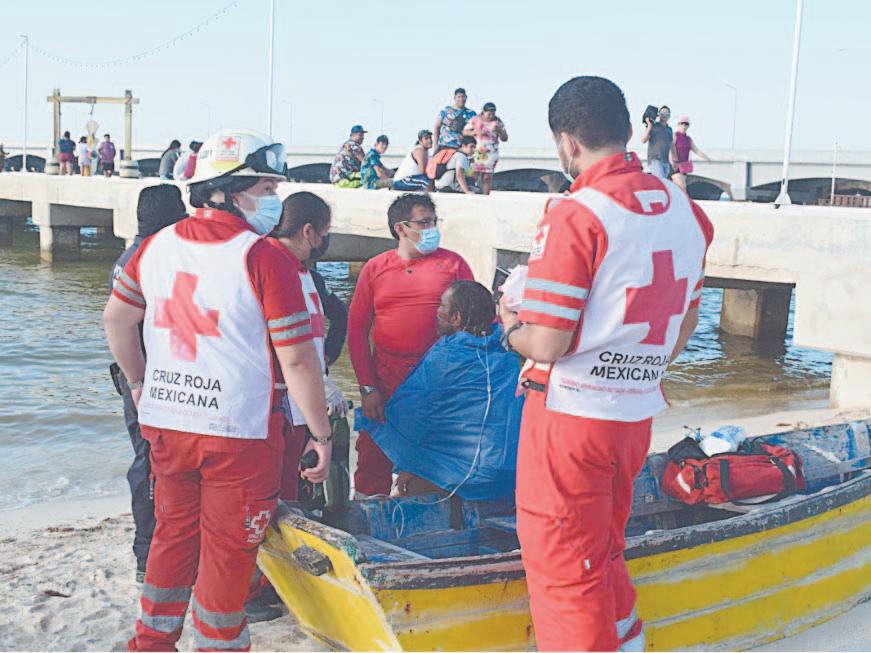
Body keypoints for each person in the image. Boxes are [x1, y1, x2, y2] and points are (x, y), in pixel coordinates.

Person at [498, 76, 713, 651]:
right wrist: (638, 367)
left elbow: (548, 342)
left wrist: (510, 324)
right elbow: (685, 320)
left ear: (567, 141)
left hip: (569, 417)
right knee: (604, 549)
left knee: (564, 565)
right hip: (633, 415)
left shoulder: (576, 213)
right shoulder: (688, 211)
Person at [104, 129, 332, 652]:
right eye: (266, 188)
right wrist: (321, 435)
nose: (274, 199)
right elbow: (298, 360)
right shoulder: (264, 257)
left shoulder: (154, 247)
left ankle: (151, 642)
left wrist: (139, 383)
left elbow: (117, 320)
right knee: (228, 557)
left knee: (172, 538)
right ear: (227, 192)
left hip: (167, 424)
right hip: (237, 434)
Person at [348, 193, 473, 497]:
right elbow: (356, 331)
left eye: (434, 222)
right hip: (386, 382)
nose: (432, 229)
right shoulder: (375, 268)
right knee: (372, 462)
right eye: (424, 223)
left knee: (429, 468)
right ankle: (367, 516)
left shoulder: (453, 264)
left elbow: (476, 322)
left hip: (438, 385)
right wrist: (367, 388)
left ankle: (421, 518)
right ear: (401, 228)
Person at [357, 280, 522, 500]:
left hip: (457, 477)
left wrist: (412, 467)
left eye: (442, 307)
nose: (436, 312)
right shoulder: (508, 356)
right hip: (503, 475)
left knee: (407, 484)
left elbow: (410, 415)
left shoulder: (446, 357)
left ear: (456, 318)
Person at [108, 184, 188, 582]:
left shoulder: (130, 256)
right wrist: (140, 382)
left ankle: (152, 553)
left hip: (135, 376)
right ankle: (148, 555)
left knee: (150, 463)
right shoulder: (152, 259)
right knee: (151, 466)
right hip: (148, 379)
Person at [269, 191, 348, 501]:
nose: (325, 240)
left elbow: (333, 319)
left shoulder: (305, 274)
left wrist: (325, 364)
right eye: (325, 232)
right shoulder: (275, 268)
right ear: (308, 231)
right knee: (276, 491)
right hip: (279, 404)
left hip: (302, 401)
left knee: (293, 489)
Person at [466, 102, 508, 195]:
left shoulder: (498, 121)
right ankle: (469, 192)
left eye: (493, 114)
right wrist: (475, 132)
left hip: (491, 152)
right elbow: (464, 132)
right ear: (484, 112)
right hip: (478, 150)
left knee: (487, 177)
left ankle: (485, 196)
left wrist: (500, 131)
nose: (491, 116)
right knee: (474, 173)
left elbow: (505, 138)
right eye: (489, 114)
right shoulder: (476, 119)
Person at [671, 116, 710, 191]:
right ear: (678, 125)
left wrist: (707, 158)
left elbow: (696, 150)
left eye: (686, 124)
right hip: (675, 166)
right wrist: (673, 161)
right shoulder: (674, 135)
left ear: (688, 126)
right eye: (682, 123)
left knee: (679, 189)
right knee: (682, 188)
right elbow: (670, 148)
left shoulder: (688, 139)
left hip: (684, 167)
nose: (684, 126)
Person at [640, 105, 675, 179]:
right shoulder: (653, 126)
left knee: (663, 182)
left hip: (666, 162)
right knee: (661, 181)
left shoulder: (669, 129)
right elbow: (643, 140)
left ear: (669, 116)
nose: (664, 115)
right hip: (655, 160)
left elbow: (670, 146)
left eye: (666, 113)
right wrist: (649, 125)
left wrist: (673, 161)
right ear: (658, 115)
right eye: (662, 113)